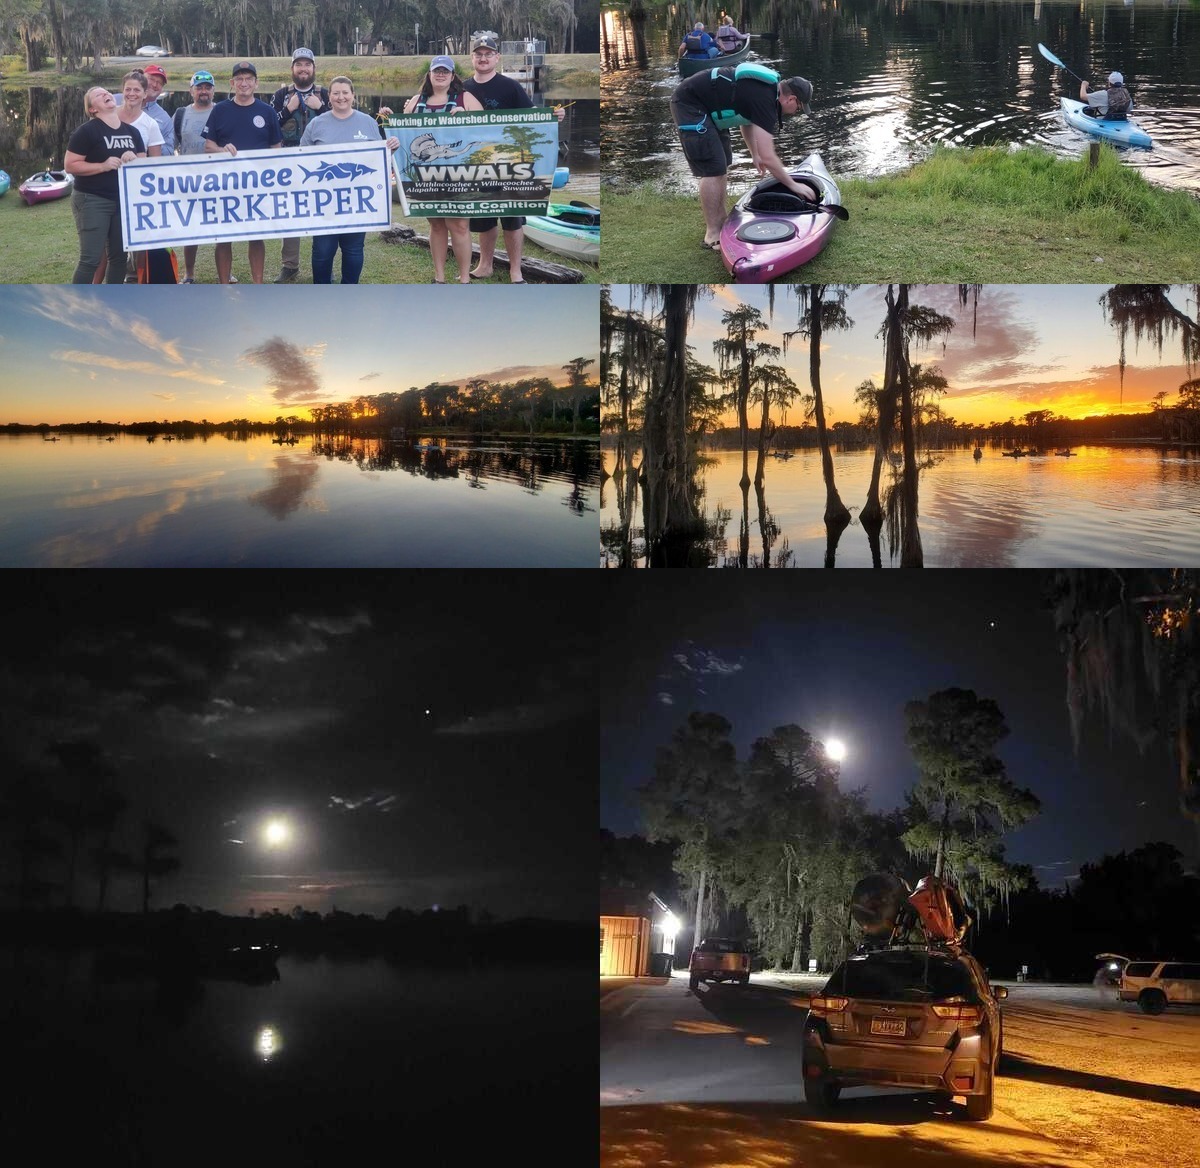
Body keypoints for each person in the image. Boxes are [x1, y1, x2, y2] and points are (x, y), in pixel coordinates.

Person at [461, 31, 565, 284]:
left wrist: (551, 116)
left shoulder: (510, 86)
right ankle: (485, 264)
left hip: (511, 164)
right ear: (472, 58)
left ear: (497, 57)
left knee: (512, 216)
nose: (483, 58)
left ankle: (515, 269)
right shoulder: (463, 88)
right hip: (478, 165)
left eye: (488, 54)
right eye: (479, 54)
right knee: (484, 217)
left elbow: (531, 115)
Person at [671, 66, 814, 249]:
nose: (796, 112)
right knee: (712, 169)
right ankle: (712, 235)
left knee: (721, 164)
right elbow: (769, 156)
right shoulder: (766, 100)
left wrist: (754, 154)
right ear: (791, 99)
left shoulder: (768, 91)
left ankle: (721, 222)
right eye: (799, 107)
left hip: (707, 106)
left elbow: (745, 120)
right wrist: (793, 185)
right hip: (690, 104)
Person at [300, 76, 400, 284]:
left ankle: (349, 290)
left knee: (354, 249)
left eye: (345, 92)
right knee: (322, 250)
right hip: (324, 203)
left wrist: (391, 150)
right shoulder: (316, 124)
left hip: (357, 201)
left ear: (353, 96)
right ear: (329, 97)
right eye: (336, 93)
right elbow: (302, 158)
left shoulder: (369, 122)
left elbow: (379, 161)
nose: (341, 97)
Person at [402, 56, 483, 284]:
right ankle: (439, 277)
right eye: (436, 71)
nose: (440, 75)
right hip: (426, 177)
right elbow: (402, 133)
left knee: (459, 225)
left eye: (445, 71)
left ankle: (465, 278)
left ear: (452, 75)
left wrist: (468, 119)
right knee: (436, 224)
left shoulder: (465, 98)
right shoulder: (417, 101)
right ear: (429, 74)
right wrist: (390, 118)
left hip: (459, 176)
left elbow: (486, 131)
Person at [202, 61, 283, 284]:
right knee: (224, 237)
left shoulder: (267, 112)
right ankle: (224, 285)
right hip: (225, 184)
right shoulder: (220, 110)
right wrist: (222, 150)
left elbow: (276, 150)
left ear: (256, 83)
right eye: (239, 79)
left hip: (257, 185)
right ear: (232, 83)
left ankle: (257, 284)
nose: (244, 83)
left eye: (248, 79)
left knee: (256, 237)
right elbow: (208, 147)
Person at [63, 87, 146, 283]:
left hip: (122, 202)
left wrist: (133, 159)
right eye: (99, 95)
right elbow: (70, 165)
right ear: (92, 109)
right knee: (90, 260)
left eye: (107, 92)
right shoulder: (86, 131)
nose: (106, 94)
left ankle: (110, 303)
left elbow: (143, 165)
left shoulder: (132, 132)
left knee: (118, 258)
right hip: (92, 199)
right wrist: (102, 165)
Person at [271, 48, 331, 283]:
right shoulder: (280, 95)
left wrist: (321, 107)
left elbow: (339, 121)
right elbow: (270, 127)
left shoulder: (325, 94)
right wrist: (288, 109)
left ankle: (324, 263)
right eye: (299, 65)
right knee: (291, 214)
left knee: (323, 214)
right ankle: (290, 265)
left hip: (320, 165)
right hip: (289, 164)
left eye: (308, 64)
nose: (303, 69)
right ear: (292, 69)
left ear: (314, 68)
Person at [172, 70, 225, 284]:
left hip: (218, 180)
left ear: (213, 90)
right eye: (199, 87)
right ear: (191, 90)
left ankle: (225, 271)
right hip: (189, 181)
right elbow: (170, 145)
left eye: (208, 87)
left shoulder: (223, 111)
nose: (203, 91)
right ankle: (189, 273)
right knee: (191, 230)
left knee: (221, 231)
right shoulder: (180, 114)